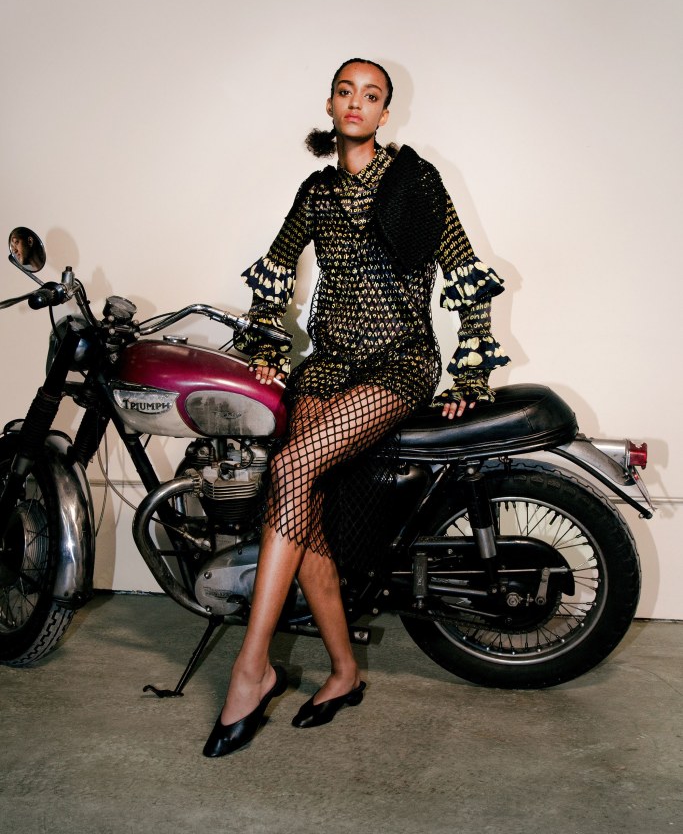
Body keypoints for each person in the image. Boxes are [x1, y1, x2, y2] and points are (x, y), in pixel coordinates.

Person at [202, 58, 509, 757]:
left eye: (371, 96)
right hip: (329, 364)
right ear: (331, 103)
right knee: (301, 503)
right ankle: (343, 673)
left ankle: (250, 670)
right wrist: (266, 345)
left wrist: (469, 371)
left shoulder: (416, 182)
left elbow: (467, 275)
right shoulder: (316, 192)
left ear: (384, 113)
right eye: (346, 91)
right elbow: (274, 275)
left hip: (399, 364)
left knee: (290, 470)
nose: (356, 103)